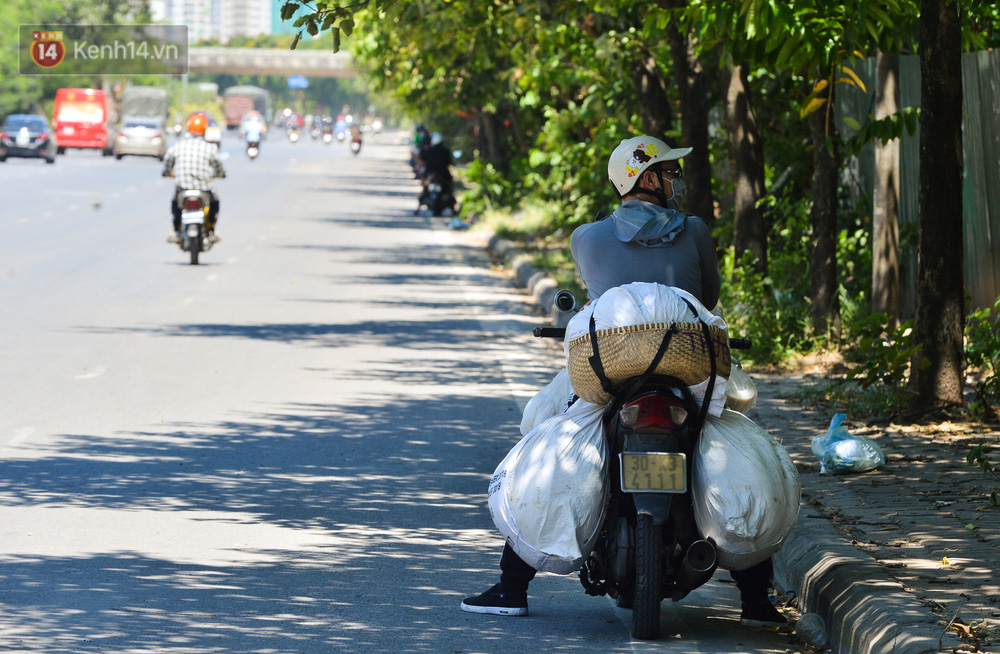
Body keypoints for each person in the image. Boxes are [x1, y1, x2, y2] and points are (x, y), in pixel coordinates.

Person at [460, 135, 786, 629]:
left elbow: (595, 297)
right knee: (731, 438)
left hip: (610, 369)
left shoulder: (586, 237)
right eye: (669, 171)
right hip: (688, 363)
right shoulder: (695, 229)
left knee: (549, 433)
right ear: (647, 177)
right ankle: (757, 601)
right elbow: (710, 300)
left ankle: (512, 585)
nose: (675, 180)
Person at [162, 113, 226, 244]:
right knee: (215, 202)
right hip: (204, 189)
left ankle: (175, 230)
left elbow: (168, 161)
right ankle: (212, 229)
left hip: (183, 187)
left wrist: (168, 172)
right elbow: (218, 167)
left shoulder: (178, 146)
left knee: (175, 202)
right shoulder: (210, 148)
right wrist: (220, 174)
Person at [416, 132, 455, 215]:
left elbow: (422, 160)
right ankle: (453, 207)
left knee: (424, 188)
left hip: (430, 174)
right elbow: (449, 163)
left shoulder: (429, 150)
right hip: (443, 174)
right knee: (450, 187)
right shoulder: (445, 150)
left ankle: (418, 207)